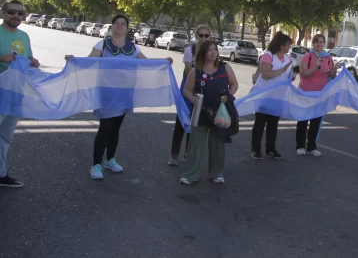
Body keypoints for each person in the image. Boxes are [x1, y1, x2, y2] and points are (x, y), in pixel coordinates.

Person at [65, 14, 173, 180]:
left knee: (115, 128)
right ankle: (96, 164)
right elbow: (89, 61)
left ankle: (110, 159)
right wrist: (74, 60)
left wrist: (164, 62)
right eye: (117, 23)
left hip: (125, 93)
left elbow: (147, 63)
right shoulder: (102, 44)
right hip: (107, 93)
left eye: (123, 23)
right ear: (112, 26)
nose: (120, 25)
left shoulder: (133, 47)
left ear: (127, 28)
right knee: (105, 128)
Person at [180, 40, 238, 185]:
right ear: (203, 53)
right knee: (196, 144)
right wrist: (192, 98)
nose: (213, 52)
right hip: (201, 112)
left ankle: (217, 173)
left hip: (220, 111)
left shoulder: (225, 67)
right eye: (209, 50)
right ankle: (191, 174)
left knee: (217, 143)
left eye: (215, 49)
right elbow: (187, 90)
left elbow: (234, 84)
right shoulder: (196, 71)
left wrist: (228, 96)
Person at [0, 0, 40, 188]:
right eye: (11, 12)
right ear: (3, 13)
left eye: (20, 13)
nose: (16, 16)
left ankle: (1, 173)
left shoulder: (24, 36)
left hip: (16, 93)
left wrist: (33, 61)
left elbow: (28, 57)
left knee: (5, 136)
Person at [169, 25, 212, 166]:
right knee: (181, 121)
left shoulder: (211, 51)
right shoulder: (190, 50)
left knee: (195, 123)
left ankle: (189, 152)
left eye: (206, 35)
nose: (204, 38)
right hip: (188, 89)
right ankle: (174, 154)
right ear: (196, 36)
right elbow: (189, 70)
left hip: (202, 91)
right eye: (201, 35)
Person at [250, 32, 295, 160]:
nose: (289, 47)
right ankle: (255, 149)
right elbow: (266, 75)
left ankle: (271, 148)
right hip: (264, 95)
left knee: (273, 124)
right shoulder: (267, 56)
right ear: (281, 45)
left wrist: (291, 77)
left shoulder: (288, 59)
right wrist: (282, 70)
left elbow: (288, 75)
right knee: (260, 123)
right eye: (288, 45)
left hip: (278, 96)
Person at [297, 34, 342, 157]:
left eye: (321, 42)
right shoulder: (308, 56)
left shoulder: (328, 58)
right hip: (306, 92)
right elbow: (303, 74)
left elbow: (331, 76)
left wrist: (335, 68)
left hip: (321, 94)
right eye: (317, 42)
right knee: (303, 119)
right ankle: (300, 146)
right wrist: (316, 66)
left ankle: (312, 147)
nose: (319, 44)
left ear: (324, 43)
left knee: (316, 120)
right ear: (313, 43)